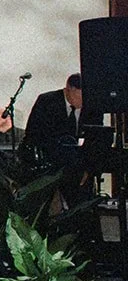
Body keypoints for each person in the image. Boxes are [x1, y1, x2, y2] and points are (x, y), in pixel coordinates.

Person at [21, 73, 97, 203]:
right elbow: (34, 133)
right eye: (81, 95)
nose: (85, 101)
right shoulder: (47, 101)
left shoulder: (92, 106)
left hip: (79, 166)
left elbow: (95, 140)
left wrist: (88, 168)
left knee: (81, 204)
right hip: (50, 164)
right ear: (70, 89)